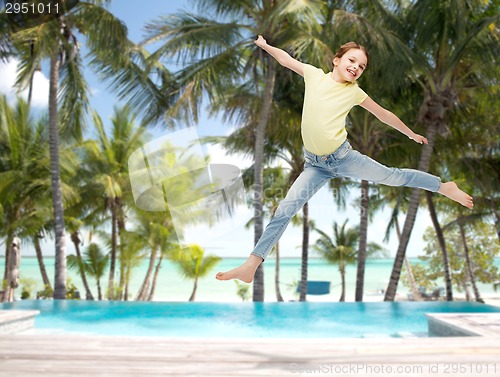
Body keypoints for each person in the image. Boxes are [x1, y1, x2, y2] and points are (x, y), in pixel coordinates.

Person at [216, 35, 473, 284]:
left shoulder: (355, 93)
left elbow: (383, 114)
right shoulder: (314, 75)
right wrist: (266, 46)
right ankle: (251, 265)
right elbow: (286, 60)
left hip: (343, 158)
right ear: (336, 60)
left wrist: (410, 133)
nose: (356, 68)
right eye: (351, 60)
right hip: (314, 165)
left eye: (361, 66)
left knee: (393, 176)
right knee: (285, 208)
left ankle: (443, 186)